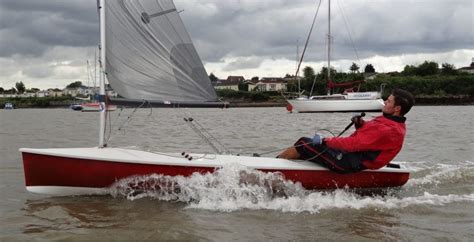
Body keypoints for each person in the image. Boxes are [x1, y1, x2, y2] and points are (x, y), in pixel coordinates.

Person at [277, 89, 415, 173]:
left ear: (397, 109)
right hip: (354, 158)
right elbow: (371, 141)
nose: (385, 102)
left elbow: (352, 144)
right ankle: (279, 167)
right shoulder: (392, 124)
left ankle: (271, 167)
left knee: (304, 143)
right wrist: (360, 124)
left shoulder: (388, 129)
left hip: (349, 163)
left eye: (389, 101)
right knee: (308, 150)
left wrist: (324, 141)